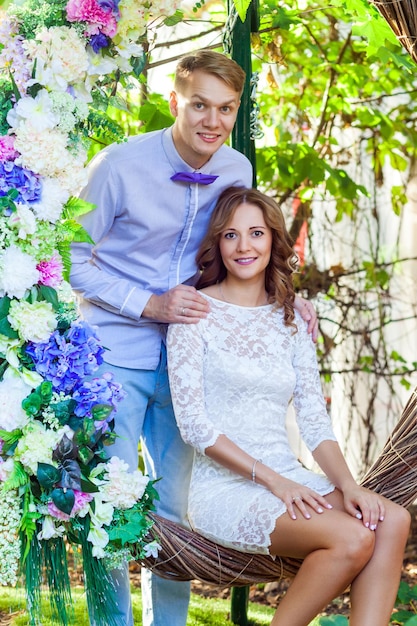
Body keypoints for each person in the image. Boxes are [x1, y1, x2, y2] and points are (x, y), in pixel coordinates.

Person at [70, 50, 317, 626]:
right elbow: (70, 258)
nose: (212, 120)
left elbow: (239, 254)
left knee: (174, 509)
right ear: (175, 101)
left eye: (225, 108)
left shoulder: (237, 171)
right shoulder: (118, 166)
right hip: (115, 351)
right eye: (200, 104)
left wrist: (287, 294)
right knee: (111, 499)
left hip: (194, 354)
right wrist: (148, 302)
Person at [166, 186, 411, 626]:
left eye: (256, 233)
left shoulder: (291, 319)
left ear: (273, 241)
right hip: (224, 490)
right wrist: (277, 483)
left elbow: (314, 420)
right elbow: (196, 428)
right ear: (217, 244)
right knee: (353, 539)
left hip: (290, 478)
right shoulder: (193, 316)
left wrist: (350, 487)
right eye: (231, 235)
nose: (244, 247)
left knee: (391, 519)